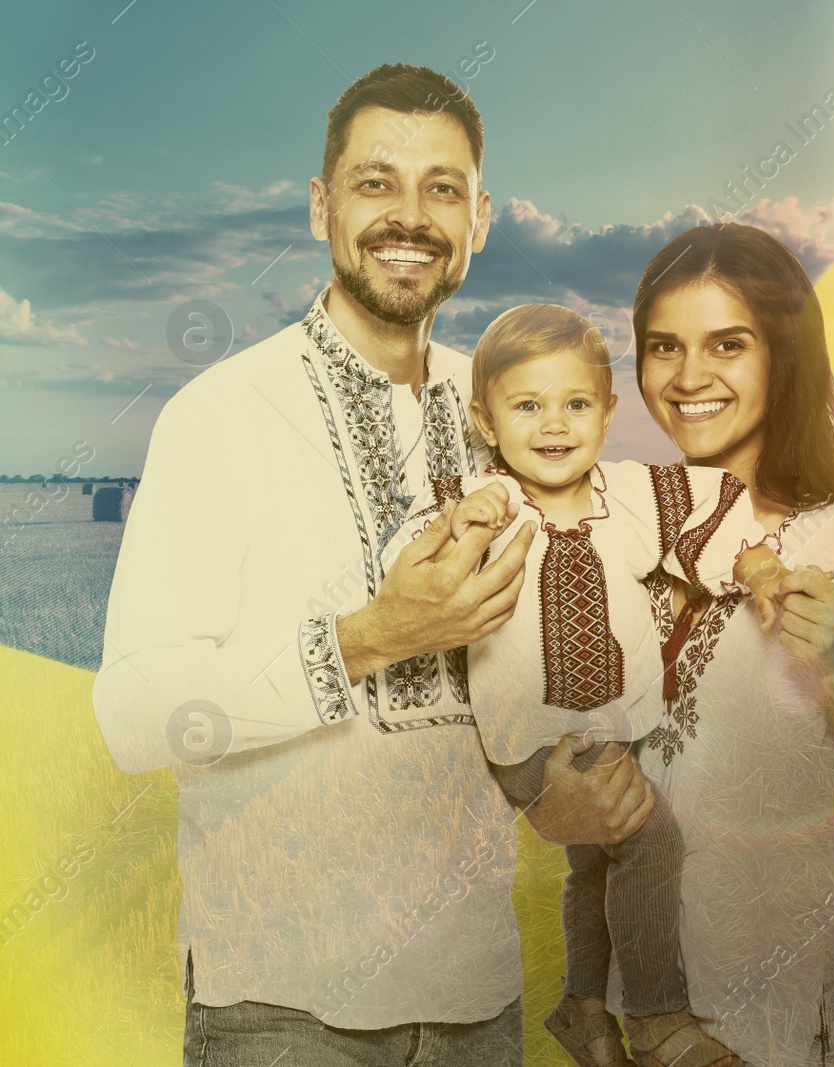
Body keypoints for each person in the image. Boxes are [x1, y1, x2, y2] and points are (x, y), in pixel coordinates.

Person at [91, 64, 654, 1067]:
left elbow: (493, 691)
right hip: (280, 1007)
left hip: (477, 1001)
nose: (410, 215)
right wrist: (368, 637)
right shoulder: (219, 417)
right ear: (321, 207)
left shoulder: (506, 413)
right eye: (374, 181)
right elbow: (136, 715)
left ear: (480, 218)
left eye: (443, 188)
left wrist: (546, 794)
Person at [379, 303, 793, 1067]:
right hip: (534, 737)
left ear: (607, 411)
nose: (554, 424)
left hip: (616, 724)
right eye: (527, 405)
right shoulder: (487, 502)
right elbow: (409, 563)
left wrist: (759, 566)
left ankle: (583, 1005)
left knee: (597, 861)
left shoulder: (633, 494)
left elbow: (718, 516)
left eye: (575, 403)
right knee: (650, 835)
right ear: (485, 419)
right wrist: (462, 519)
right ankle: (661, 1018)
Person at [618, 222, 834, 1066]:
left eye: (727, 345)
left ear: (784, 357)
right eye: (663, 346)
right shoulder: (630, 542)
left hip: (790, 1003)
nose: (689, 376)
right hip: (655, 1013)